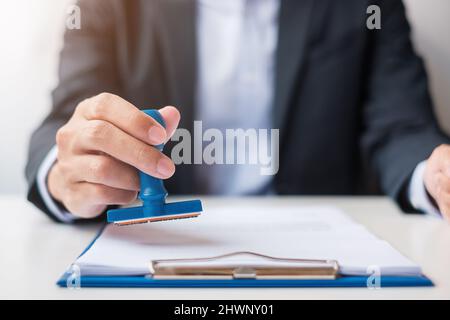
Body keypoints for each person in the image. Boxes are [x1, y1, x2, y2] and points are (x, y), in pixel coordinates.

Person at [26, 0, 450, 223]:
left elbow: (402, 127)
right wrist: (68, 175)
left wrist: (434, 175)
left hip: (320, 246)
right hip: (159, 252)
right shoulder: (112, 4)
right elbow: (67, 120)